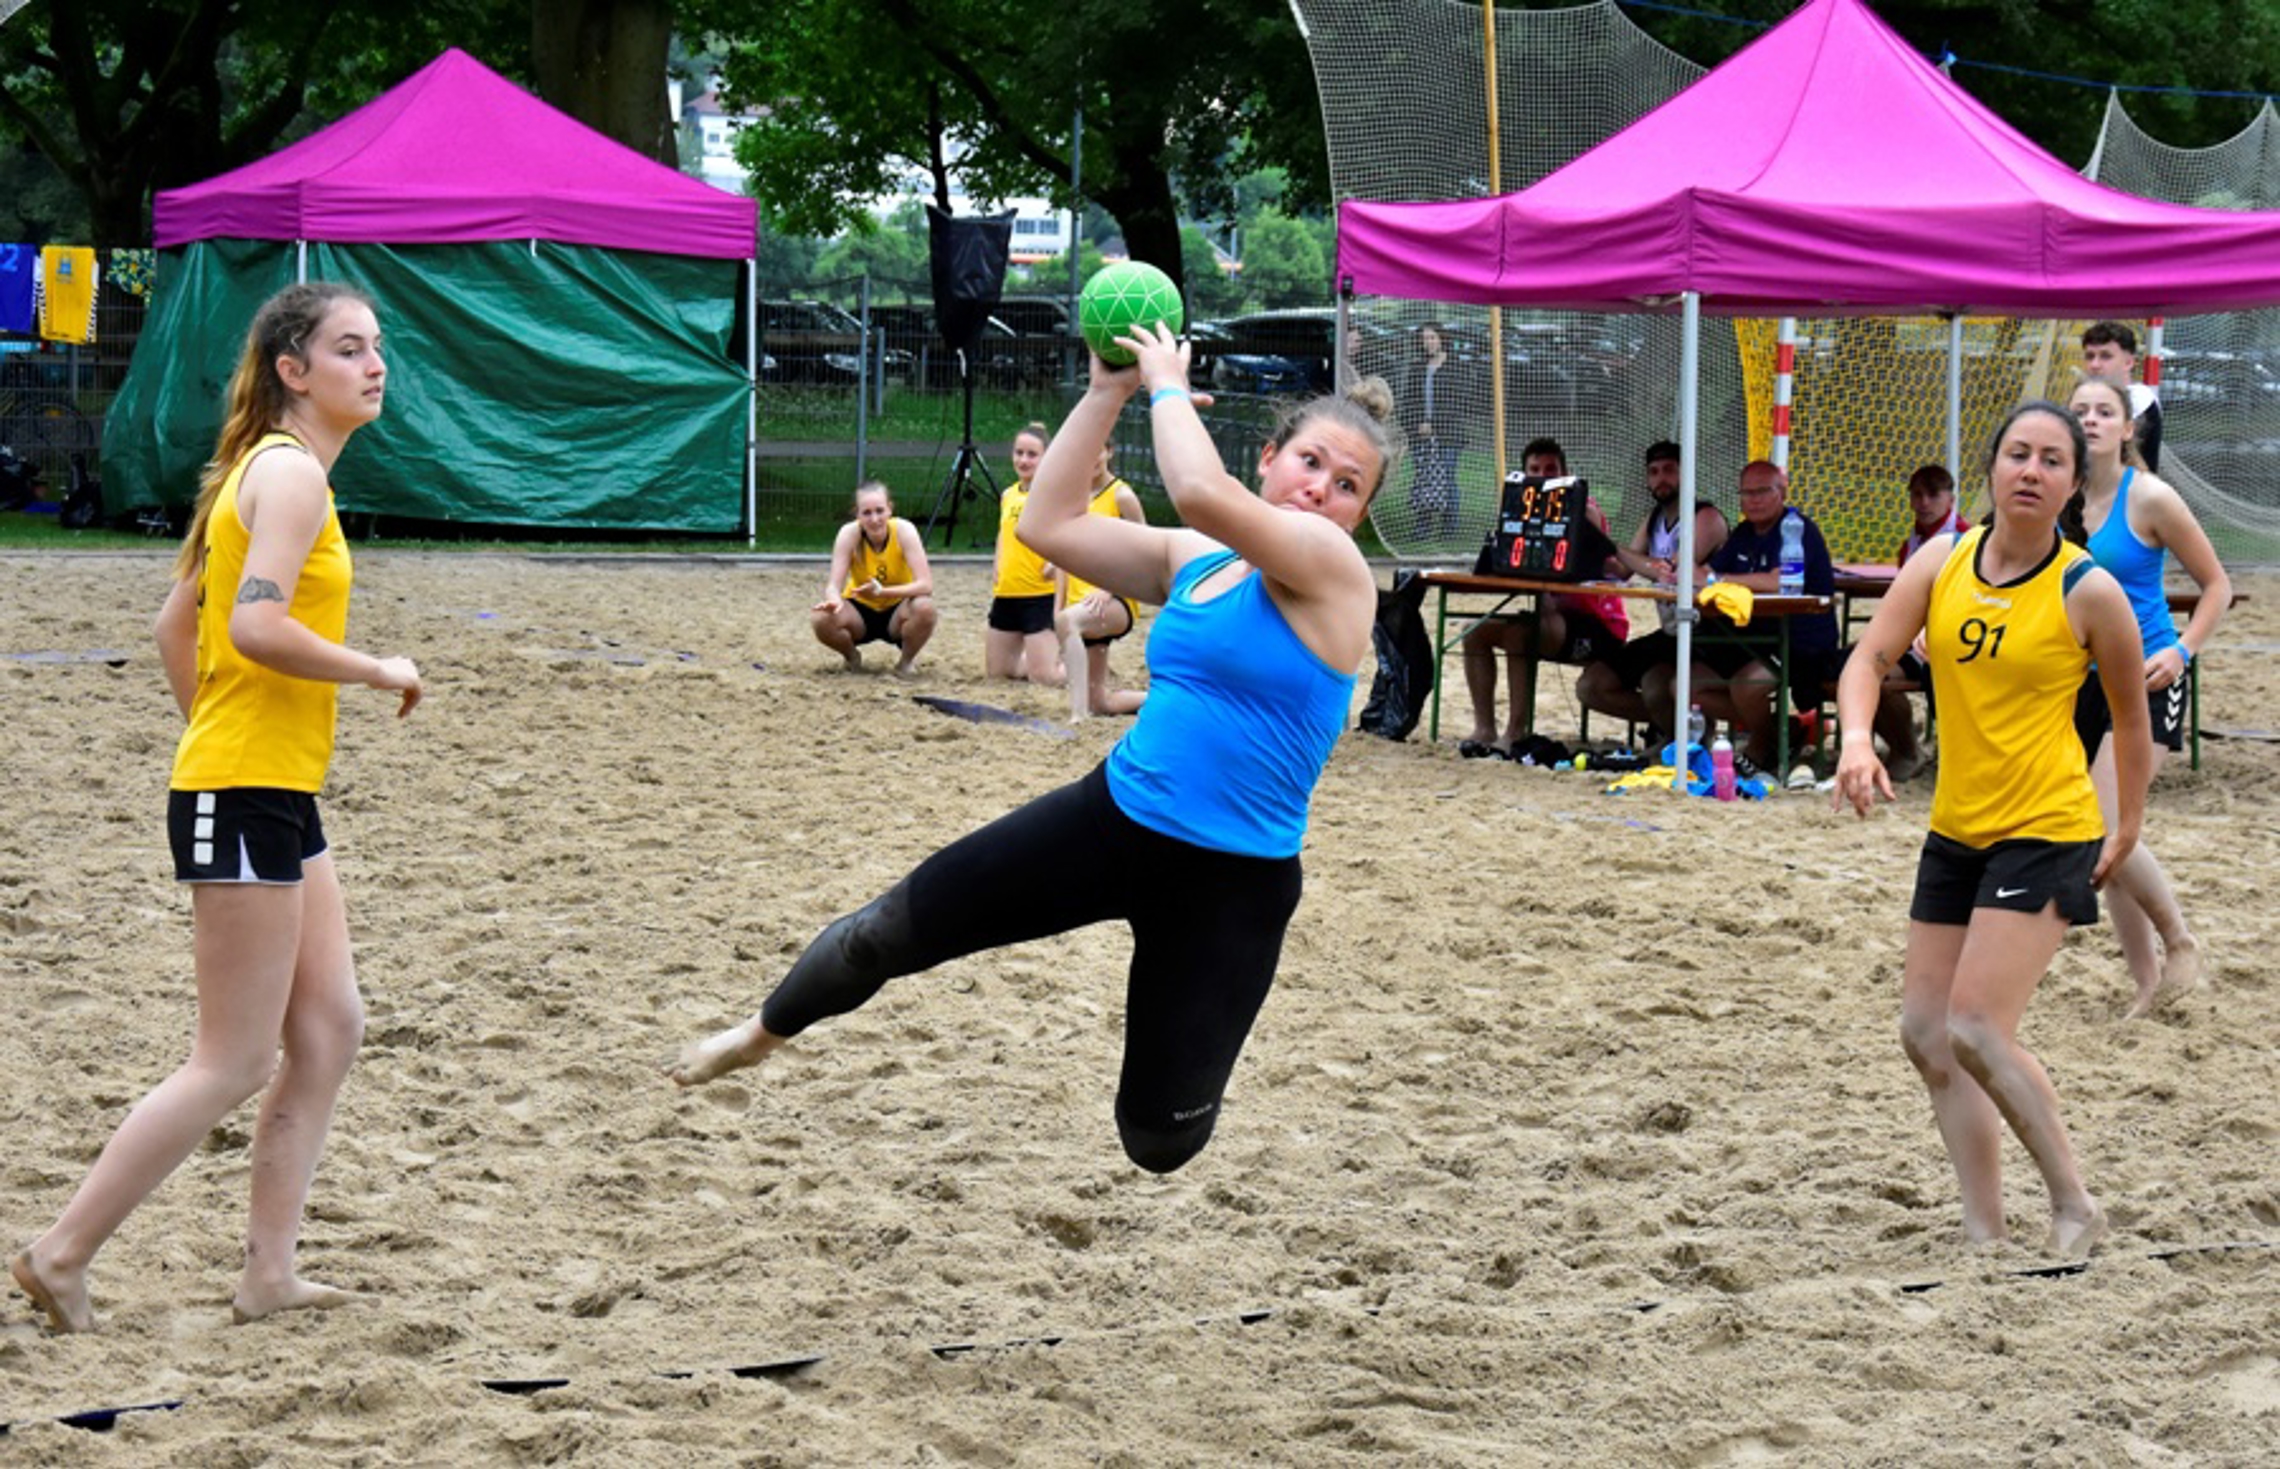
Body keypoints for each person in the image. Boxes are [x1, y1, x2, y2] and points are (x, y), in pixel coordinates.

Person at [670, 320, 1388, 1175]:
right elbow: (1048, 522)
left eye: (1347, 484)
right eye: (1309, 462)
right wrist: (1104, 391)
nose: (1320, 490)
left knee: (1156, 1141)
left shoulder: (1334, 568)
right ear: (1269, 458)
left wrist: (1162, 378)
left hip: (1231, 884)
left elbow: (1199, 489)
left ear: (1358, 515)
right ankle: (758, 1033)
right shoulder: (1197, 561)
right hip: (1113, 818)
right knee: (889, 928)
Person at [11, 282, 424, 1333]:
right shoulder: (288, 479)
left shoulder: (261, 470)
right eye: (349, 348)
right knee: (233, 1058)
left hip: (265, 783)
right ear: (294, 369)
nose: (374, 364)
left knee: (330, 1025)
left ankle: (268, 1274)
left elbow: (171, 628)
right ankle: (60, 1252)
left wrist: (228, 733)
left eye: (377, 347)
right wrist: (372, 668)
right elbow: (252, 628)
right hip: (244, 786)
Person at [1833, 399, 2149, 1256]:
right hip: (1957, 827)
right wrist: (1858, 740)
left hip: (2047, 828)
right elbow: (1867, 657)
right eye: (2019, 454)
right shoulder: (1945, 558)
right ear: (1992, 469)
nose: (2032, 471)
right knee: (1925, 1033)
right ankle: (1983, 1230)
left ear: (2072, 486)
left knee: (1975, 1025)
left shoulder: (2090, 590)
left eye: (2053, 460)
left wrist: (2128, 832)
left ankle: (2076, 1203)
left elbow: (2130, 719)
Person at [2068, 374, 2230, 1016]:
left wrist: (2181, 650)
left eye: (2104, 411)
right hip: (2080, 683)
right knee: (2106, 843)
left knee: (2107, 825)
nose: (2090, 420)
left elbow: (2215, 585)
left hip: (2148, 678)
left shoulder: (2151, 498)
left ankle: (2180, 939)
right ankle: (2146, 985)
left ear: (2127, 429)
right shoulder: (2059, 496)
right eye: (2078, 409)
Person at [1691, 460, 1923, 780]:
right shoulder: (1743, 533)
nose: (1754, 499)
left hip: (1800, 640)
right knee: (1685, 684)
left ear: (1782, 492)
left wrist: (1720, 580)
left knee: (1747, 686)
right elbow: (1705, 576)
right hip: (1748, 634)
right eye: (1747, 492)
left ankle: (1763, 744)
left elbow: (1780, 582)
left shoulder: (1797, 529)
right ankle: (1781, 732)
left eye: (1762, 491)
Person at [1459, 436, 1626, 758]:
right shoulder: (1522, 510)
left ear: (1565, 473)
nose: (1543, 476)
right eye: (1535, 469)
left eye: (1551, 469)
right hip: (1554, 618)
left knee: (1520, 633)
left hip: (1600, 625)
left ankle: (1516, 731)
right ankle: (1484, 728)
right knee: (1472, 631)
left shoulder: (1584, 511)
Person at [1576, 439, 1729, 743]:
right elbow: (1621, 570)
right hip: (1671, 633)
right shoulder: (1653, 520)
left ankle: (1684, 736)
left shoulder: (1707, 518)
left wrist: (1614, 548)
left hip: (1707, 634)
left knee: (1657, 684)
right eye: (1654, 472)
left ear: (1687, 474)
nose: (1662, 479)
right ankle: (1674, 727)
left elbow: (1670, 571)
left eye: (1670, 470)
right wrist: (1585, 541)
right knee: (1592, 685)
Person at [1057, 443, 1148, 719]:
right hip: (1082, 600)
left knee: (1067, 621)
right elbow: (1064, 554)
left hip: (1115, 599)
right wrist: (1058, 602)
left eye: (1097, 449)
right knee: (1101, 703)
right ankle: (1165, 699)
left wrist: (1108, 588)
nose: (1091, 457)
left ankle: (1077, 715)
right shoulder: (1074, 496)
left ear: (1109, 452)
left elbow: (1146, 549)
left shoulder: (1122, 496)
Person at [810, 481, 937, 676]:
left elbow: (926, 584)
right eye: (867, 513)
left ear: (890, 510)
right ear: (857, 514)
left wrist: (883, 591)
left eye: (880, 511)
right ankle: (852, 657)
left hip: (897, 610)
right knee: (820, 618)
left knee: (925, 608)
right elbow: (833, 586)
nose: (874, 519)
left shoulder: (904, 530)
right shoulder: (848, 534)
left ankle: (906, 662)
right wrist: (833, 600)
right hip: (861, 610)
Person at [984, 422, 1063, 685]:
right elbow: (1003, 533)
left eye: (1032, 454)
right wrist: (997, 563)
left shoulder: (1053, 493)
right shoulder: (1008, 494)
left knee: (1045, 678)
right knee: (999, 673)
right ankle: (1044, 655)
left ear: (1046, 458)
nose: (1023, 460)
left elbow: (1069, 529)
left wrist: (1056, 559)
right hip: (1007, 591)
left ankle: (1085, 666)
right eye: (1019, 453)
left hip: (1039, 593)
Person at [1393, 323, 1466, 541]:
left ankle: (1449, 526)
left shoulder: (1456, 366)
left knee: (1447, 476)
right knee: (1423, 477)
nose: (1428, 343)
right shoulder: (1418, 367)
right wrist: (1414, 425)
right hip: (1420, 434)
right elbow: (1409, 401)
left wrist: (1434, 423)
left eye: (1432, 338)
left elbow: (1458, 402)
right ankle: (1422, 526)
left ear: (1442, 338)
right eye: (1425, 339)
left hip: (1448, 434)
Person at [2081, 320, 2162, 473]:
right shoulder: (2085, 398)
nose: (2095, 364)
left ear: (2129, 363)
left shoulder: (2140, 400)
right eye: (2090, 356)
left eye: (2105, 356)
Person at [1896, 463, 1968, 566]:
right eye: (1917, 494)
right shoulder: (1909, 545)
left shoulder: (1965, 540)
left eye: (1933, 495)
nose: (1924, 503)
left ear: (1951, 500)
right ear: (1910, 500)